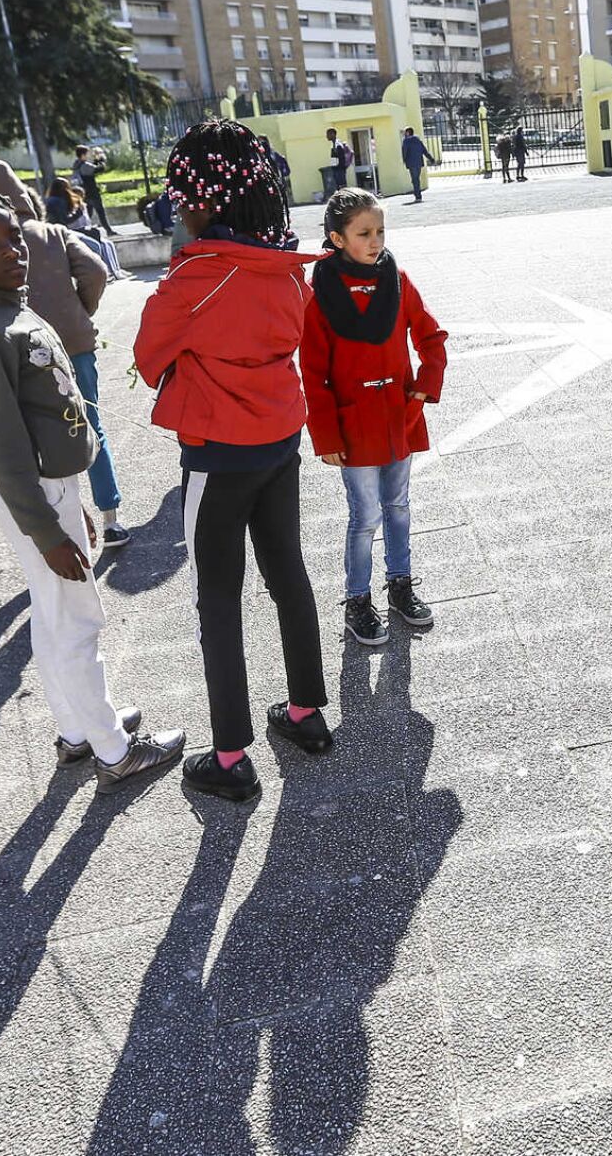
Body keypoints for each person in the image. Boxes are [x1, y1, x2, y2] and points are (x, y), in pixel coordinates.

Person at [0, 190, 185, 793]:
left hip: (51, 488)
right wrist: (47, 529)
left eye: (13, 237)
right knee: (77, 618)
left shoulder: (11, 313)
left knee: (52, 617)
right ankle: (115, 750)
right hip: (33, 490)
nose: (11, 250)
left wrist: (70, 505)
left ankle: (77, 729)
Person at [134, 119, 332, 802]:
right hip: (281, 439)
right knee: (288, 574)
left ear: (200, 200)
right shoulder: (285, 268)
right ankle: (306, 714)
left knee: (217, 597)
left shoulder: (195, 279)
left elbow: (146, 357)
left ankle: (230, 755)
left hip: (217, 455)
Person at [0, 162, 133, 549]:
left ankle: (63, 520)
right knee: (89, 424)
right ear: (24, 194)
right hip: (75, 342)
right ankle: (111, 518)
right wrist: (79, 314)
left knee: (35, 437)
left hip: (16, 354)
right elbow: (96, 270)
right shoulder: (52, 232)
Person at [301, 188, 449, 645]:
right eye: (363, 233)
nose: (375, 240)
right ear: (337, 238)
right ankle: (357, 601)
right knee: (364, 516)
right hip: (352, 423)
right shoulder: (318, 293)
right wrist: (326, 437)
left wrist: (425, 387)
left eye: (380, 231)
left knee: (399, 507)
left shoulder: (398, 279)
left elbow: (431, 337)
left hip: (397, 415)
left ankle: (400, 585)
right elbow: (312, 372)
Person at [72, 144, 109, 228]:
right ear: (83, 155)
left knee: (88, 212)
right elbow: (99, 169)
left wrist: (96, 161)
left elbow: (91, 167)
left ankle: (86, 228)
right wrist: (101, 159)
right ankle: (108, 230)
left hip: (84, 192)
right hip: (92, 192)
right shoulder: (84, 165)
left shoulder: (77, 164)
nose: (89, 156)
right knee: (100, 211)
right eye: (87, 154)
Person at [400, 126, 439, 203]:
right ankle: (418, 195)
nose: (404, 134)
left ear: (408, 133)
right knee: (416, 179)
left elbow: (404, 151)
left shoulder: (406, 141)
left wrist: (404, 160)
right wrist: (431, 159)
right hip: (419, 162)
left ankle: (418, 196)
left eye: (405, 132)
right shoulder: (418, 140)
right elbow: (424, 151)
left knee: (415, 180)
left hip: (411, 163)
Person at [322, 127, 352, 201]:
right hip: (337, 169)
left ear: (333, 134)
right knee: (339, 188)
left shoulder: (338, 145)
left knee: (342, 188)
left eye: (328, 134)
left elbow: (341, 158)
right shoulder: (334, 144)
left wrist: (339, 168)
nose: (327, 136)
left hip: (339, 169)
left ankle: (345, 202)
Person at [259, 135, 293, 200]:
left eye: (262, 141)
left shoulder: (271, 153)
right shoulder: (270, 153)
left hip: (275, 176)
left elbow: (280, 161)